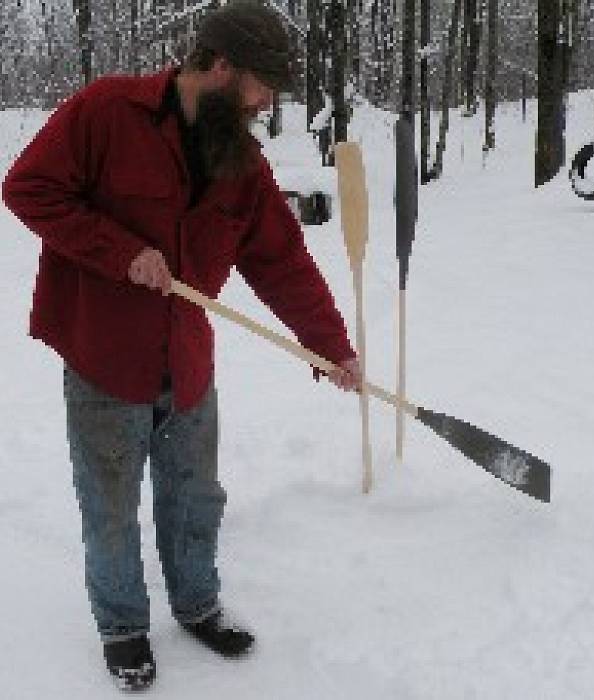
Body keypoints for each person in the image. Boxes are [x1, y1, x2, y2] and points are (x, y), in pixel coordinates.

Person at [1, 0, 362, 691]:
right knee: (110, 505)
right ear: (219, 67)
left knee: (196, 496)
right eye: (260, 85)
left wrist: (329, 345)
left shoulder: (241, 160)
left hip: (187, 362)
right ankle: (123, 625)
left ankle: (197, 605)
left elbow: (281, 261)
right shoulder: (106, 112)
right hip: (105, 358)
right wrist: (121, 251)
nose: (266, 101)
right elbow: (27, 188)